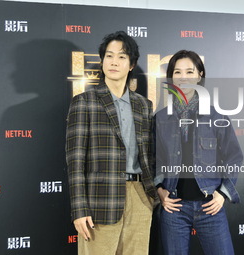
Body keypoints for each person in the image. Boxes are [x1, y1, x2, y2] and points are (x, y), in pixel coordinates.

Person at [65, 31, 157, 255]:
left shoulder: (144, 105)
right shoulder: (84, 102)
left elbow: (148, 154)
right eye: (109, 56)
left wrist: (152, 195)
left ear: (132, 64)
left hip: (140, 197)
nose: (114, 61)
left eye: (122, 56)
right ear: (102, 60)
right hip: (100, 198)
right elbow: (75, 161)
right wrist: (79, 208)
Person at [154, 50, 243, 255]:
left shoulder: (216, 116)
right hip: (174, 208)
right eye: (177, 72)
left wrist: (222, 193)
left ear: (200, 75)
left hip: (210, 207)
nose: (183, 77)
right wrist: (160, 192)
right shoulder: (160, 118)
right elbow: (155, 159)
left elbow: (234, 157)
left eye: (189, 71)